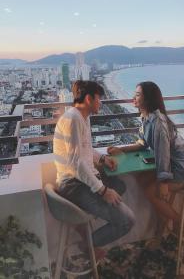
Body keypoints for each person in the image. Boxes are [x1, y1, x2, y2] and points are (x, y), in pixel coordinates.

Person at [107, 81, 184, 232]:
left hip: (183, 168)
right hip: (173, 164)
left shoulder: (158, 123)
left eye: (138, 95)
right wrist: (122, 149)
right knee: (142, 179)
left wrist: (163, 182)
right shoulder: (147, 117)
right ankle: (164, 227)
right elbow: (143, 142)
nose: (134, 97)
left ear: (147, 99)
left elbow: (162, 153)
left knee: (151, 192)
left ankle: (182, 222)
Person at [53, 80, 135, 254]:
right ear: (89, 99)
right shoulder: (73, 119)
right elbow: (76, 163)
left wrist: (103, 158)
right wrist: (103, 191)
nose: (101, 103)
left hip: (81, 179)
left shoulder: (83, 117)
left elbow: (86, 148)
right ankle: (88, 246)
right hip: (72, 184)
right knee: (127, 220)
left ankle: (87, 221)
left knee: (120, 186)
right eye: (99, 99)